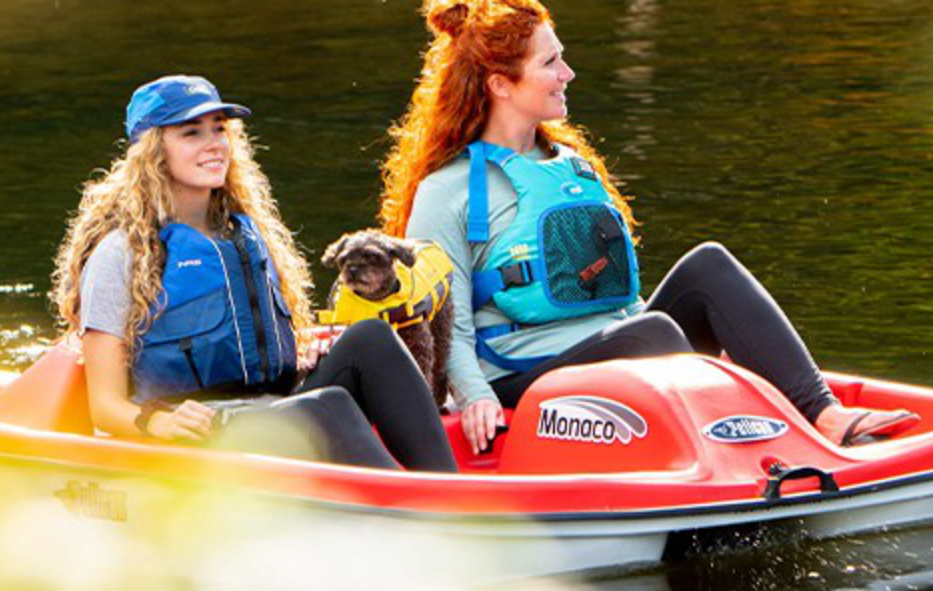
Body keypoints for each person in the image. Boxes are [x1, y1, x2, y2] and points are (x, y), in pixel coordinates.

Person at [377, 0, 919, 454]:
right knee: (654, 333)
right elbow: (443, 321)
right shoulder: (447, 191)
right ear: (501, 84)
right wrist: (475, 396)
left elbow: (610, 291)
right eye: (551, 62)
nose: (568, 74)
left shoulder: (570, 166)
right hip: (523, 377)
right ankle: (724, 436)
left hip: (621, 340)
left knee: (708, 267)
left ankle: (823, 414)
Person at [50, 75, 457, 472]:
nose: (214, 144)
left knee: (372, 339)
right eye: (192, 133)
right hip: (200, 429)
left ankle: (448, 489)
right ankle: (416, 507)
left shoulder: (242, 232)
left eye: (219, 129)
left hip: (270, 405)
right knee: (327, 407)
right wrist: (157, 422)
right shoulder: (120, 254)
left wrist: (299, 361)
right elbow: (104, 407)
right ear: (153, 151)